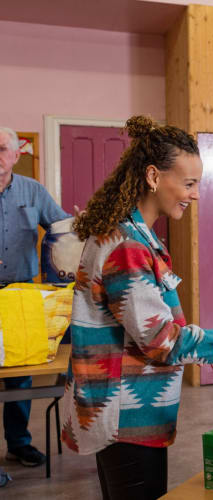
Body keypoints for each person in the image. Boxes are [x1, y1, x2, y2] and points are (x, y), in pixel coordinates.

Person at [60, 116, 213, 500]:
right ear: (154, 177)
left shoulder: (134, 234)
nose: (195, 194)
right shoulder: (127, 246)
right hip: (127, 419)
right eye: (189, 184)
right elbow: (162, 341)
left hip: (127, 412)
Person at [0, 127, 69, 482]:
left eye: (2, 150)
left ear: (15, 155)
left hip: (21, 294)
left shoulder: (33, 191)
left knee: (20, 376)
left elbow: (62, 230)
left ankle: (19, 442)